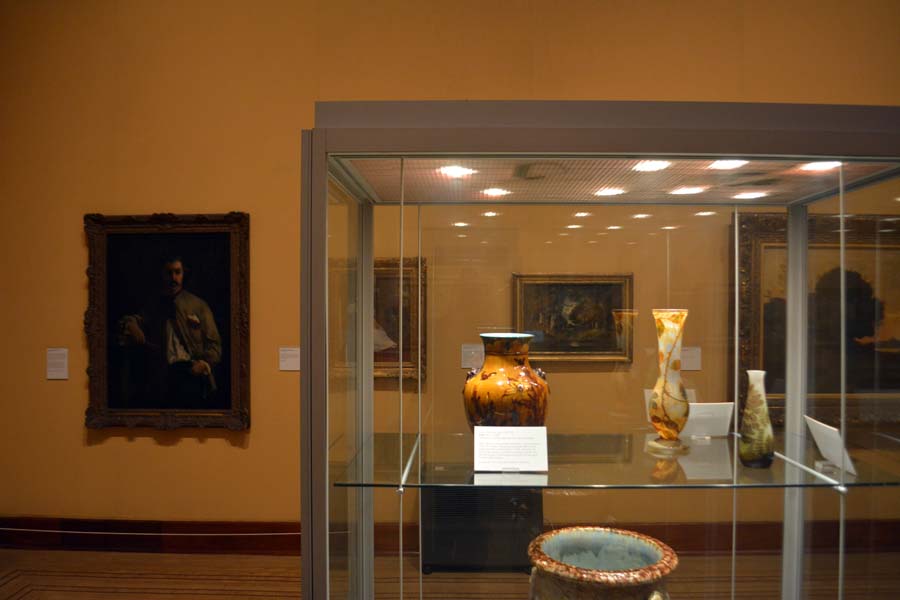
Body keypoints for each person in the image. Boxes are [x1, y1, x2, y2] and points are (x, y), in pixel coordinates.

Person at [118, 256, 222, 408]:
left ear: (183, 274)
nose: (173, 278)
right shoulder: (154, 304)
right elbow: (131, 320)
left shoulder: (199, 305)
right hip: (160, 377)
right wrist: (132, 325)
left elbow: (215, 346)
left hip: (190, 374)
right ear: (162, 275)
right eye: (169, 273)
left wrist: (203, 364)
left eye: (177, 272)